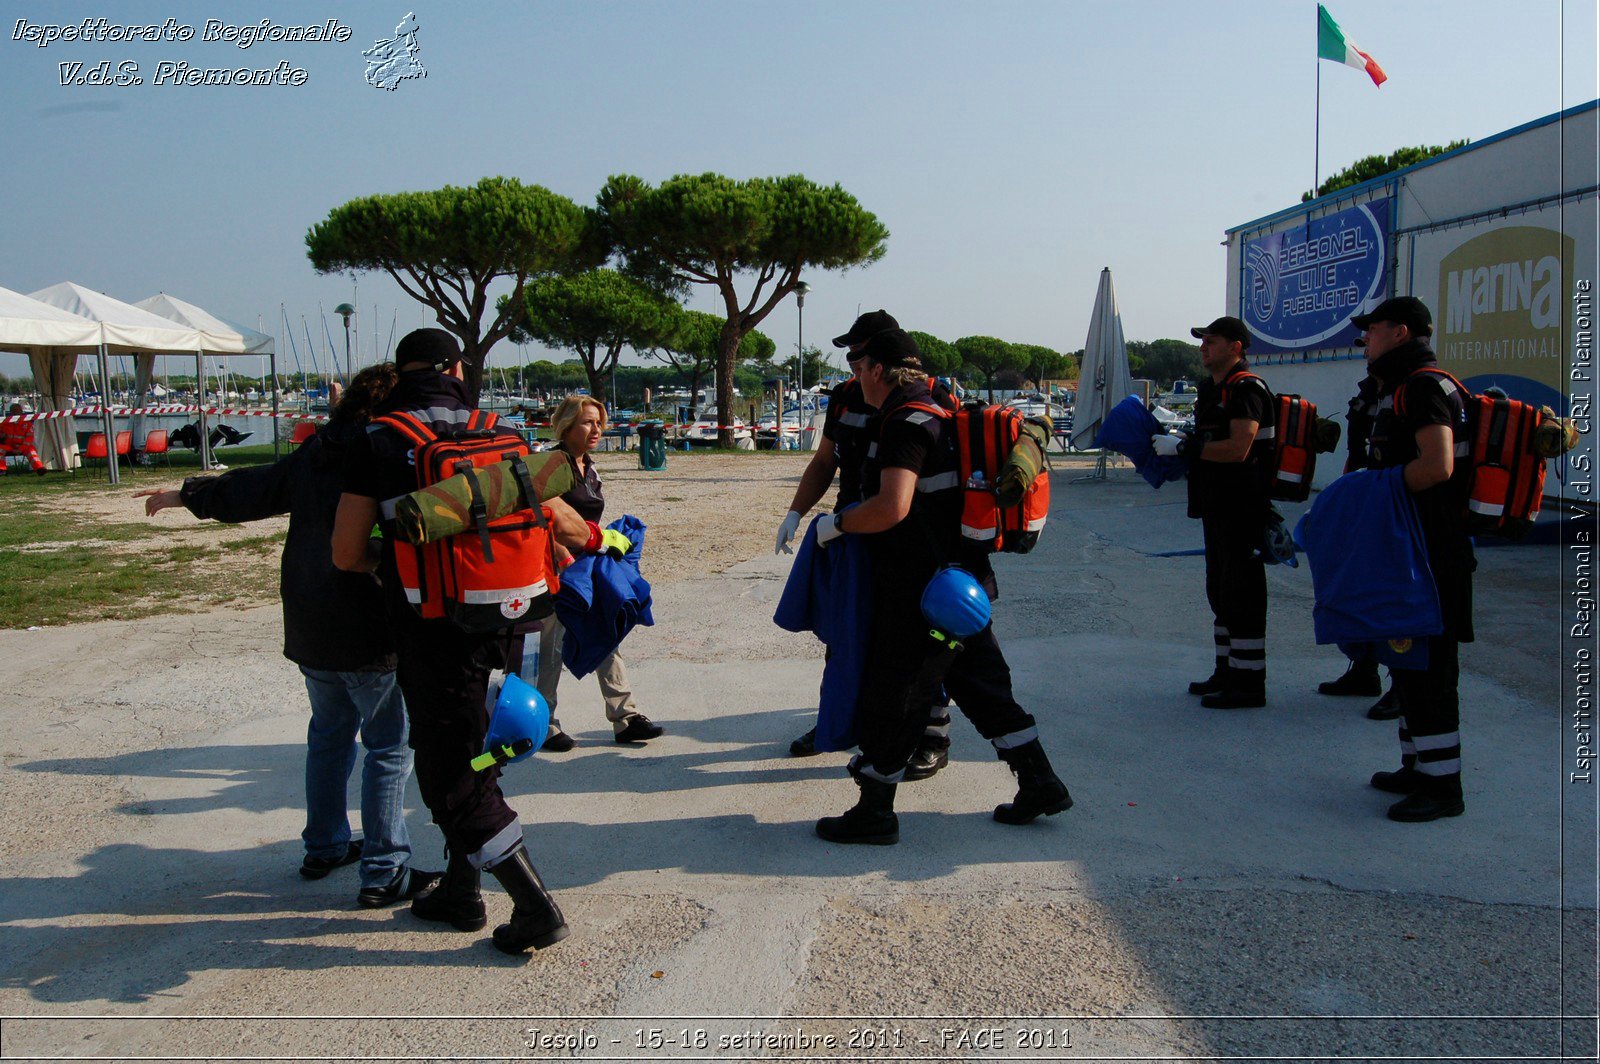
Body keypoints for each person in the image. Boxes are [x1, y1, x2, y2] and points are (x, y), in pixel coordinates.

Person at [332, 328, 599, 953]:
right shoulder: (502, 430)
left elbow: (347, 553)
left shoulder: (380, 437)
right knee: (478, 747)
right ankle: (460, 887)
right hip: (504, 616)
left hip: (431, 630)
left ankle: (536, 908)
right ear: (457, 367)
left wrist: (396, 561)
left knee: (451, 771)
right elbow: (560, 516)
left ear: (400, 373)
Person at [136, 365, 439, 908]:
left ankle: (324, 846)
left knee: (328, 733)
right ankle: (384, 868)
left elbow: (253, 489)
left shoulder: (319, 451)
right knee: (388, 746)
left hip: (310, 615)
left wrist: (187, 494)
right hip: (369, 620)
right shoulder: (390, 455)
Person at [811, 328, 1070, 845]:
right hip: (958, 586)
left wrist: (835, 525)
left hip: (921, 590)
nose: (854, 376)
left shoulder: (907, 422)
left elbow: (892, 507)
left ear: (879, 369)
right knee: (984, 685)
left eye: (859, 366)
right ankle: (1040, 782)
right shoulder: (933, 410)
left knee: (898, 693)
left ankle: (874, 812)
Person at [776, 310, 955, 780]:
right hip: (852, 529)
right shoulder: (845, 398)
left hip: (909, 541)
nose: (852, 363)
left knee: (918, 642)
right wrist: (796, 512)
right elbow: (823, 461)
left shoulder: (928, 400)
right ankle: (835, 721)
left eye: (858, 355)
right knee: (844, 630)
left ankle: (933, 734)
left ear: (881, 357)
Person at [1349, 296, 1473, 822]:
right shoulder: (1406, 387)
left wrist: (1375, 491)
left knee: (1432, 674)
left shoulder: (1422, 386)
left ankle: (1443, 788)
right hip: (1414, 551)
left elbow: (1437, 464)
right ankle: (1418, 766)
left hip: (1432, 553)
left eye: (1372, 330)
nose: (1365, 339)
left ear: (1400, 332)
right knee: (1413, 663)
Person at [1157, 316, 1274, 710]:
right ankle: (1227, 671)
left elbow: (1239, 448)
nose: (1203, 347)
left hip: (1243, 507)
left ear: (1235, 347)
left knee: (1242, 594)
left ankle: (1248, 683)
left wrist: (1186, 451)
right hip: (1217, 508)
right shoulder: (1212, 390)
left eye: (1212, 341)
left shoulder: (1247, 389)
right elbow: (1209, 441)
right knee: (1221, 592)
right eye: (1202, 341)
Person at [536, 395, 663, 749]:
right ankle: (543, 724)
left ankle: (625, 718)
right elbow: (542, 518)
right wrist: (563, 557)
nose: (596, 429)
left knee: (606, 635)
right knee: (552, 647)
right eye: (587, 422)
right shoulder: (551, 465)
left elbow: (585, 520)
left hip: (587, 566)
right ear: (566, 426)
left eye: (598, 422)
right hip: (556, 569)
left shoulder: (588, 467)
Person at [1317, 370, 1399, 719]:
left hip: (1396, 510)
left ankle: (1403, 683)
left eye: (1371, 334)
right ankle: (1364, 670)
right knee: (1360, 588)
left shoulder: (1412, 389)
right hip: (1363, 501)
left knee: (1394, 596)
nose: (1365, 345)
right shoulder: (1369, 392)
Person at [1, 404, 47, 475]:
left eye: (17, 410)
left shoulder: (28, 424)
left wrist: (20, 449)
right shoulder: (4, 423)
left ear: (21, 411)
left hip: (22, 447)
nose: (15, 412)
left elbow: (29, 440)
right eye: (13, 411)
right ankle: (1, 469)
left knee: (31, 452)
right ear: (10, 412)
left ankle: (39, 468)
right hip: (8, 446)